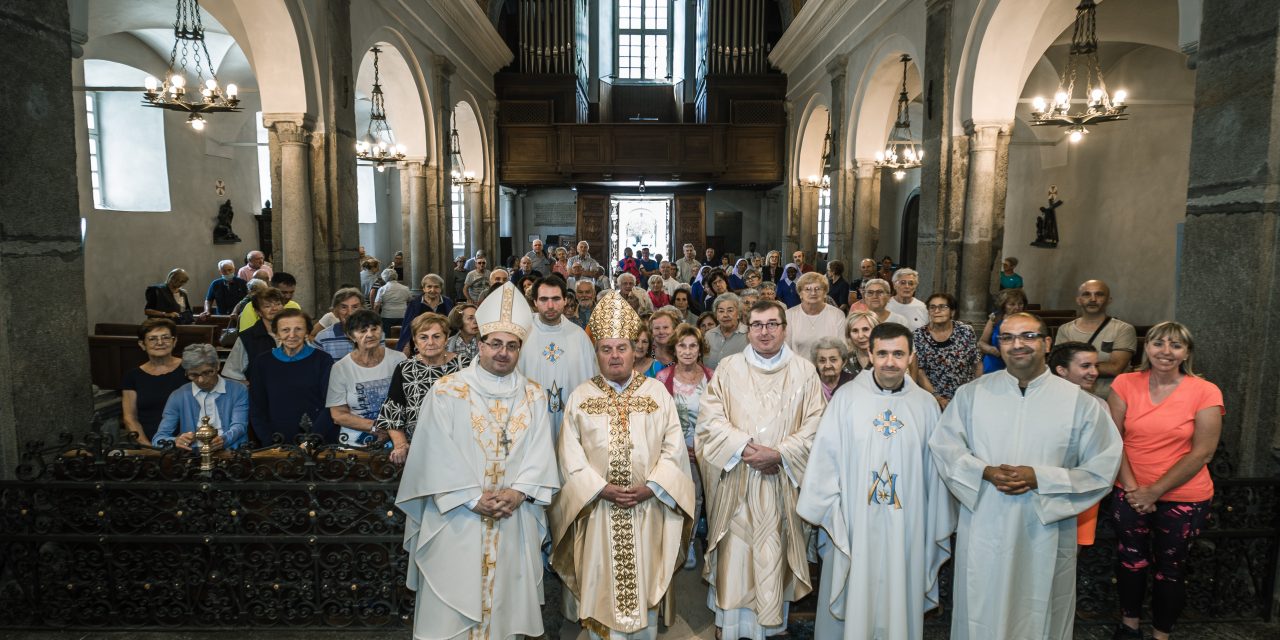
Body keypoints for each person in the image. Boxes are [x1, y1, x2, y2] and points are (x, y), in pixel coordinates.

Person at [929, 312, 1123, 640]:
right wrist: (985, 472)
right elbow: (945, 448)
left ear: (1047, 343)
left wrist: (1041, 478)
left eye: (1028, 336)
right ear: (998, 345)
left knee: (1040, 608)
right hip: (985, 521)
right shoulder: (972, 394)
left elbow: (1102, 465)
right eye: (1007, 337)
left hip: (1045, 527)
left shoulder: (1079, 402)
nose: (1017, 344)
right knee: (981, 604)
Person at [395, 281, 560, 640]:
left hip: (513, 516)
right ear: (479, 344)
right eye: (495, 343)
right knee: (452, 611)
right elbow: (433, 454)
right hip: (457, 517)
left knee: (505, 611)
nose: (503, 353)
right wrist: (472, 498)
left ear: (520, 349)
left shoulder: (532, 395)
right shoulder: (447, 392)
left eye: (512, 346)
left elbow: (540, 453)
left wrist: (518, 494)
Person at [550, 290, 695, 640]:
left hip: (649, 507)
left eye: (622, 348)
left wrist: (653, 487)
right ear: (597, 353)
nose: (615, 356)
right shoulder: (581, 397)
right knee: (601, 579)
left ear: (635, 351)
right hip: (597, 509)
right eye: (606, 349)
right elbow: (569, 455)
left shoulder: (657, 394)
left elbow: (674, 446)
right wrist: (600, 488)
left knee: (646, 575)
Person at [798, 322, 956, 640]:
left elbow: (935, 475)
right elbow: (824, 464)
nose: (889, 361)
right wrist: (832, 512)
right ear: (869, 353)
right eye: (882, 353)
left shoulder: (925, 406)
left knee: (900, 593)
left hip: (907, 525)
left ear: (911, 356)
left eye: (898, 354)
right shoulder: (846, 399)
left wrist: (931, 522)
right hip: (854, 523)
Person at [696, 300, 825, 640]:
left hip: (781, 479)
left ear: (784, 328)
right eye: (757, 325)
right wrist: (743, 447)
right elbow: (710, 421)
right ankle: (731, 625)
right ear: (747, 329)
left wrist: (780, 454)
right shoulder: (728, 368)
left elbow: (817, 425)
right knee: (735, 557)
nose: (764, 332)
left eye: (772, 324)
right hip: (737, 477)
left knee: (773, 552)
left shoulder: (804, 371)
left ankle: (772, 626)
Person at [1106, 322, 1223, 640]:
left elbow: (1203, 452)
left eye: (1176, 345)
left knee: (1170, 569)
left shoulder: (1205, 390)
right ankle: (1129, 628)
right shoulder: (1125, 383)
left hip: (1184, 496)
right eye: (1159, 343)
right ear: (1147, 348)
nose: (1166, 351)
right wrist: (1133, 490)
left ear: (1187, 352)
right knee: (1131, 561)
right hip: (1130, 491)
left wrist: (1154, 491)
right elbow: (1112, 441)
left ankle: (1161, 634)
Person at [373, 312, 471, 464]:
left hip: (461, 447)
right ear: (415, 341)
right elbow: (392, 414)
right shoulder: (405, 369)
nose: (430, 342)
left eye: (436, 336)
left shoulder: (465, 366)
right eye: (423, 337)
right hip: (417, 449)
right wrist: (400, 445)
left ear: (446, 338)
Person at [655, 323, 714, 569]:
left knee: (696, 499)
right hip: (672, 450)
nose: (688, 351)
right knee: (671, 497)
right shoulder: (663, 377)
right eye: (682, 345)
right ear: (674, 348)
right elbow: (657, 420)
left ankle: (689, 543)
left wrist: (700, 446)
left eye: (693, 346)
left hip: (703, 452)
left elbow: (719, 416)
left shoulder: (712, 377)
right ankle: (669, 543)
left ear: (700, 350)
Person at [518, 276, 599, 439]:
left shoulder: (579, 337)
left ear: (565, 301)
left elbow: (592, 383)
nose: (550, 305)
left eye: (556, 299)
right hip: (530, 425)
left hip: (570, 426)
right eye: (543, 299)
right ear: (535, 302)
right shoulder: (521, 335)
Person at [248, 308, 337, 445]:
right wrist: (270, 442)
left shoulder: (323, 360)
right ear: (276, 333)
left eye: (298, 329)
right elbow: (257, 408)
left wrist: (312, 439)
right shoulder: (262, 362)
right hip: (277, 441)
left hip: (318, 439)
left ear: (307, 331)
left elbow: (331, 405)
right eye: (285, 330)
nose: (292, 335)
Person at [1048, 341, 1105, 546]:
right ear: (1061, 370)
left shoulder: (1099, 405)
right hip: (1046, 488)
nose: (1094, 372)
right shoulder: (1040, 403)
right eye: (1085, 366)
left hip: (1083, 491)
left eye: (1095, 365)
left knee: (1072, 552)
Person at [326, 309, 407, 446]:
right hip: (355, 440)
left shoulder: (398, 359)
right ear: (351, 336)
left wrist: (393, 431)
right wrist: (375, 426)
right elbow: (338, 415)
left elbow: (407, 401)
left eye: (374, 329)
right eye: (363, 331)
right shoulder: (340, 368)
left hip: (398, 437)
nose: (370, 334)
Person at [153, 343, 249, 450]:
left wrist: (224, 439)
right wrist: (175, 441)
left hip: (232, 455)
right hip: (193, 457)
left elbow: (240, 426)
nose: (201, 380)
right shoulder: (178, 395)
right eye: (193, 375)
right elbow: (158, 439)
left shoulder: (238, 390)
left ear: (217, 366)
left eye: (207, 372)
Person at [1055, 279, 1138, 398]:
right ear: (1078, 300)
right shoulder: (1065, 330)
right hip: (1073, 395)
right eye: (1086, 294)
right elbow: (1060, 366)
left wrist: (1075, 366)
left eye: (1099, 294)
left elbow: (1115, 368)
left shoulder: (1123, 329)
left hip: (1110, 397)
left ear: (1109, 300)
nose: (1093, 299)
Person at [121, 319, 187, 444]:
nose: (160, 343)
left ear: (174, 341)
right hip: (147, 444)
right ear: (142, 344)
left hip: (188, 442)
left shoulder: (189, 369)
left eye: (166, 338)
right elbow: (130, 418)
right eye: (152, 339)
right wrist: (149, 447)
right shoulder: (132, 376)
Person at [914, 292, 981, 408]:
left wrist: (975, 389)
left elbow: (977, 363)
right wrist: (937, 397)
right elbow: (920, 371)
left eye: (942, 307)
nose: (937, 311)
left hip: (964, 396)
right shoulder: (919, 335)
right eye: (932, 307)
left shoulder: (965, 331)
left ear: (952, 312)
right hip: (931, 398)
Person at [222, 287, 287, 382]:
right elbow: (232, 373)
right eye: (267, 306)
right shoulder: (247, 338)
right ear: (258, 311)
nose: (274, 309)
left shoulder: (295, 332)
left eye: (278, 304)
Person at [784, 271, 846, 362]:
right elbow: (786, 349)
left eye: (818, 289)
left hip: (829, 369)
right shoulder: (789, 315)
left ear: (825, 293)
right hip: (799, 370)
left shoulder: (837, 315)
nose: (813, 293)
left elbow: (842, 347)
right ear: (800, 294)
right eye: (807, 289)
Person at [396, 273, 454, 352]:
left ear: (441, 289)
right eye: (429, 286)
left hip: (444, 345)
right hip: (420, 345)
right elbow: (407, 326)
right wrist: (406, 345)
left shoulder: (448, 302)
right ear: (424, 288)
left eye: (436, 287)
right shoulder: (415, 304)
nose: (432, 290)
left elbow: (453, 324)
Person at [979, 287, 1027, 374]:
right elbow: (981, 343)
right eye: (1012, 304)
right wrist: (990, 349)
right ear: (1004, 306)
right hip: (994, 362)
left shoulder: (1028, 321)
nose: (1017, 307)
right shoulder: (995, 318)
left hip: (1017, 363)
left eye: (1020, 304)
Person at [237, 272, 302, 332]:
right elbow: (247, 335)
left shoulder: (294, 306)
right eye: (284, 292)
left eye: (291, 292)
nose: (288, 296)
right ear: (272, 288)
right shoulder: (252, 306)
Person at [704, 293, 748, 369]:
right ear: (716, 316)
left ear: (738, 314)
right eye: (721, 311)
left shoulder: (749, 334)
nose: (725, 315)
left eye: (730, 310)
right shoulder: (709, 335)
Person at [374, 268, 412, 335]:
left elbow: (377, 305)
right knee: (402, 336)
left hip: (387, 316)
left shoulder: (382, 289)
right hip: (402, 314)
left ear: (384, 277)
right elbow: (410, 301)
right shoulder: (405, 288)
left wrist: (376, 315)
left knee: (388, 336)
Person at [842, 310, 879, 377]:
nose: (860, 336)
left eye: (865, 329)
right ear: (849, 335)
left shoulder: (888, 358)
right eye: (855, 331)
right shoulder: (844, 361)